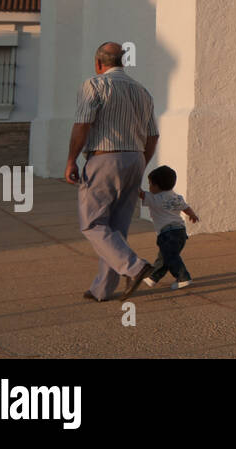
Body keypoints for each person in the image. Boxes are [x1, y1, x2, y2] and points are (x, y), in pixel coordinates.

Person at [64, 42, 157, 301]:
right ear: (122, 62)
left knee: (93, 223)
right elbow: (153, 135)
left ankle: (136, 267)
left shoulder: (93, 85)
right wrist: (141, 165)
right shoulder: (142, 91)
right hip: (135, 158)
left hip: (105, 159)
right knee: (116, 227)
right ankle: (102, 289)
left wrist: (71, 159)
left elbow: (83, 125)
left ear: (98, 63)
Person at [139, 165, 198, 289]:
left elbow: (140, 193)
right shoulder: (176, 197)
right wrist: (192, 215)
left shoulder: (153, 198)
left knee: (170, 257)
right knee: (166, 256)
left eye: (150, 184)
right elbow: (186, 208)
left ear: (156, 186)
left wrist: (130, 181)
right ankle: (153, 278)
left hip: (167, 233)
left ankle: (183, 277)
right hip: (180, 232)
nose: (149, 187)